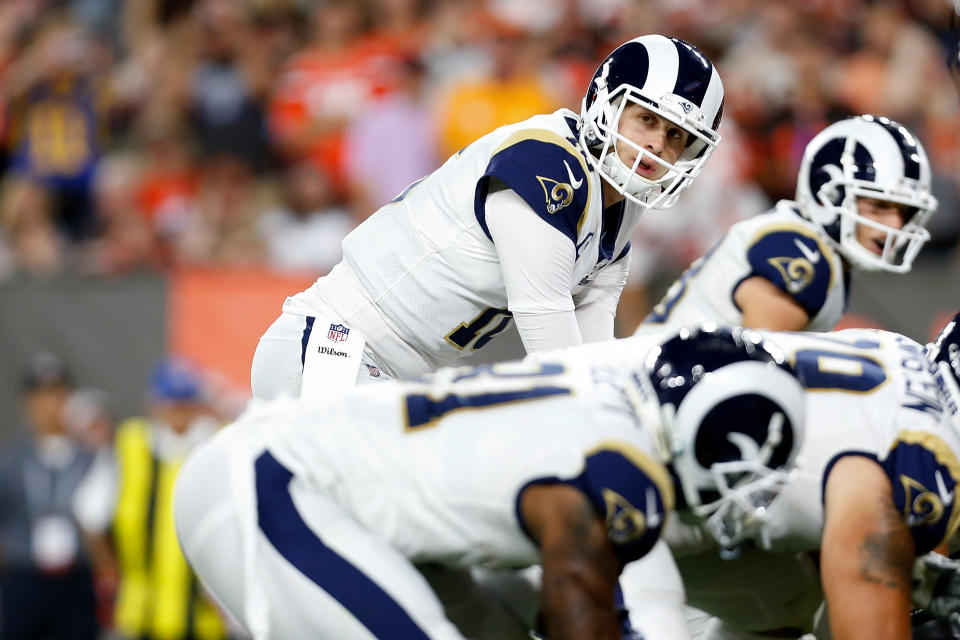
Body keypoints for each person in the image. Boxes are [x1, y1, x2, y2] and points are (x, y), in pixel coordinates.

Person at [174, 327, 804, 639]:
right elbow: (577, 591)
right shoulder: (622, 466)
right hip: (280, 485)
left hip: (307, 495)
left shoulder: (599, 416)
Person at [250, 34, 725, 400]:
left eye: (677, 136)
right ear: (608, 103)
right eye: (646, 120)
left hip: (403, 371)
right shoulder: (546, 164)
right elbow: (559, 359)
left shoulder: (620, 203)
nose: (658, 146)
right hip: (338, 343)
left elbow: (593, 344)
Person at [596, 324, 960, 640]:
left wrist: (914, 572)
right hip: (622, 480)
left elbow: (821, 490)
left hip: (644, 436)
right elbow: (862, 571)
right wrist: (901, 573)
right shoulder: (928, 460)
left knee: (786, 602)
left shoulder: (896, 349)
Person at [637, 114, 937, 335]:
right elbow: (757, 373)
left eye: (905, 213)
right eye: (879, 207)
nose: (895, 224)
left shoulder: (811, 247)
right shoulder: (804, 254)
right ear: (828, 195)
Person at [111, 356, 229, 640]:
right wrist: (114, 576)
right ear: (153, 404)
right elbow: (91, 513)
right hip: (142, 612)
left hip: (204, 616)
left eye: (184, 404)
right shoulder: (133, 444)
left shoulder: (220, 446)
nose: (178, 413)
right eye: (171, 403)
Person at [0, 352, 99, 640]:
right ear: (27, 402)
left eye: (57, 394)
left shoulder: (90, 458)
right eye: (41, 396)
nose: (50, 405)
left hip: (76, 580)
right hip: (24, 579)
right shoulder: (11, 460)